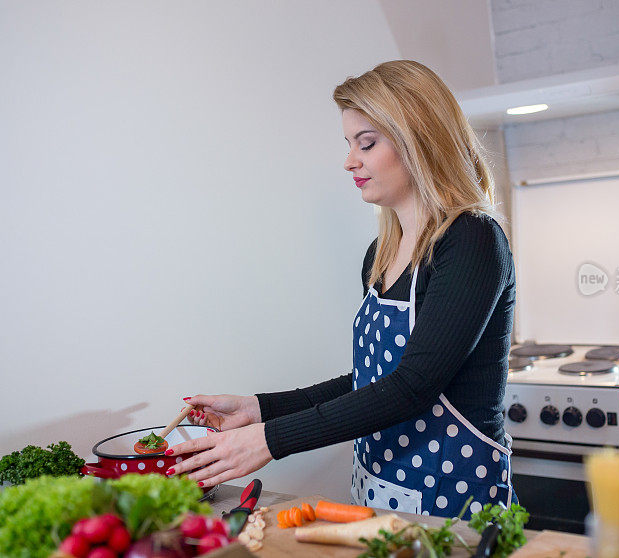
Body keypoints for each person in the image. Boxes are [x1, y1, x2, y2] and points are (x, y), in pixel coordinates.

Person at [169, 60, 517, 518]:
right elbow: (371, 380)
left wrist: (271, 441)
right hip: (379, 489)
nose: (350, 160)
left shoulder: (471, 240)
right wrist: (261, 409)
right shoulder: (381, 252)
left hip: (455, 500)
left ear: (420, 139)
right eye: (350, 144)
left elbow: (412, 387)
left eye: (366, 143)